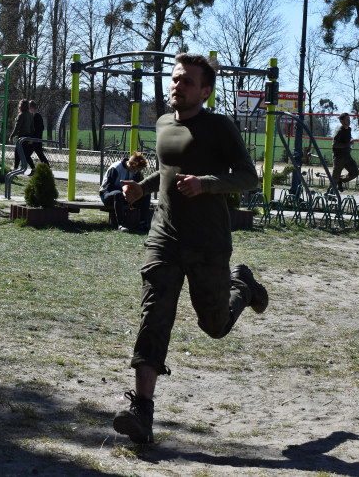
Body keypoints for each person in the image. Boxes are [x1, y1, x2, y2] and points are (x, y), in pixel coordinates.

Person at [112, 53, 268, 444]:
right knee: (154, 316)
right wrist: (140, 189)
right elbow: (166, 169)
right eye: (175, 78)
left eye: (186, 81)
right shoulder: (164, 124)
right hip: (164, 237)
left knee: (214, 326)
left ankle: (243, 287)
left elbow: (249, 177)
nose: (177, 85)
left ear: (205, 90)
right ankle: (141, 411)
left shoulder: (219, 127)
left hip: (208, 243)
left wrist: (207, 184)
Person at [99, 152, 151, 232]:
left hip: (125, 196)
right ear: (129, 163)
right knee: (118, 194)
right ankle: (121, 224)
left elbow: (136, 186)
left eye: (137, 170)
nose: (135, 171)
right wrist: (123, 188)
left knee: (146, 195)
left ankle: (143, 222)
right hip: (107, 195)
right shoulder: (116, 168)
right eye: (134, 169)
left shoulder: (135, 171)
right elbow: (108, 187)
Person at [332, 112, 359, 191]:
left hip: (347, 156)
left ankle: (341, 180)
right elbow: (335, 144)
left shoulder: (349, 130)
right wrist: (347, 145)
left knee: (355, 172)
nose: (349, 121)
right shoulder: (339, 131)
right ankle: (329, 194)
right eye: (347, 119)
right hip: (339, 157)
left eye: (349, 119)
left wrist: (350, 146)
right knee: (335, 177)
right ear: (341, 121)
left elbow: (348, 142)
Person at [8, 98, 34, 172]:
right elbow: (32, 128)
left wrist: (11, 136)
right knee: (24, 153)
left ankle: (16, 168)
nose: (18, 106)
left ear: (21, 106)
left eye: (19, 105)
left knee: (18, 153)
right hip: (28, 137)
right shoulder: (30, 115)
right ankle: (31, 167)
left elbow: (17, 128)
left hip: (21, 137)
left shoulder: (21, 115)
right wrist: (31, 138)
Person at [27, 99, 50, 173]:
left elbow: (38, 129)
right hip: (37, 140)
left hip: (35, 140)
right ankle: (47, 169)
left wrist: (33, 139)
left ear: (31, 107)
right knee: (40, 155)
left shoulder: (37, 116)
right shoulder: (36, 116)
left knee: (26, 155)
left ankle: (34, 169)